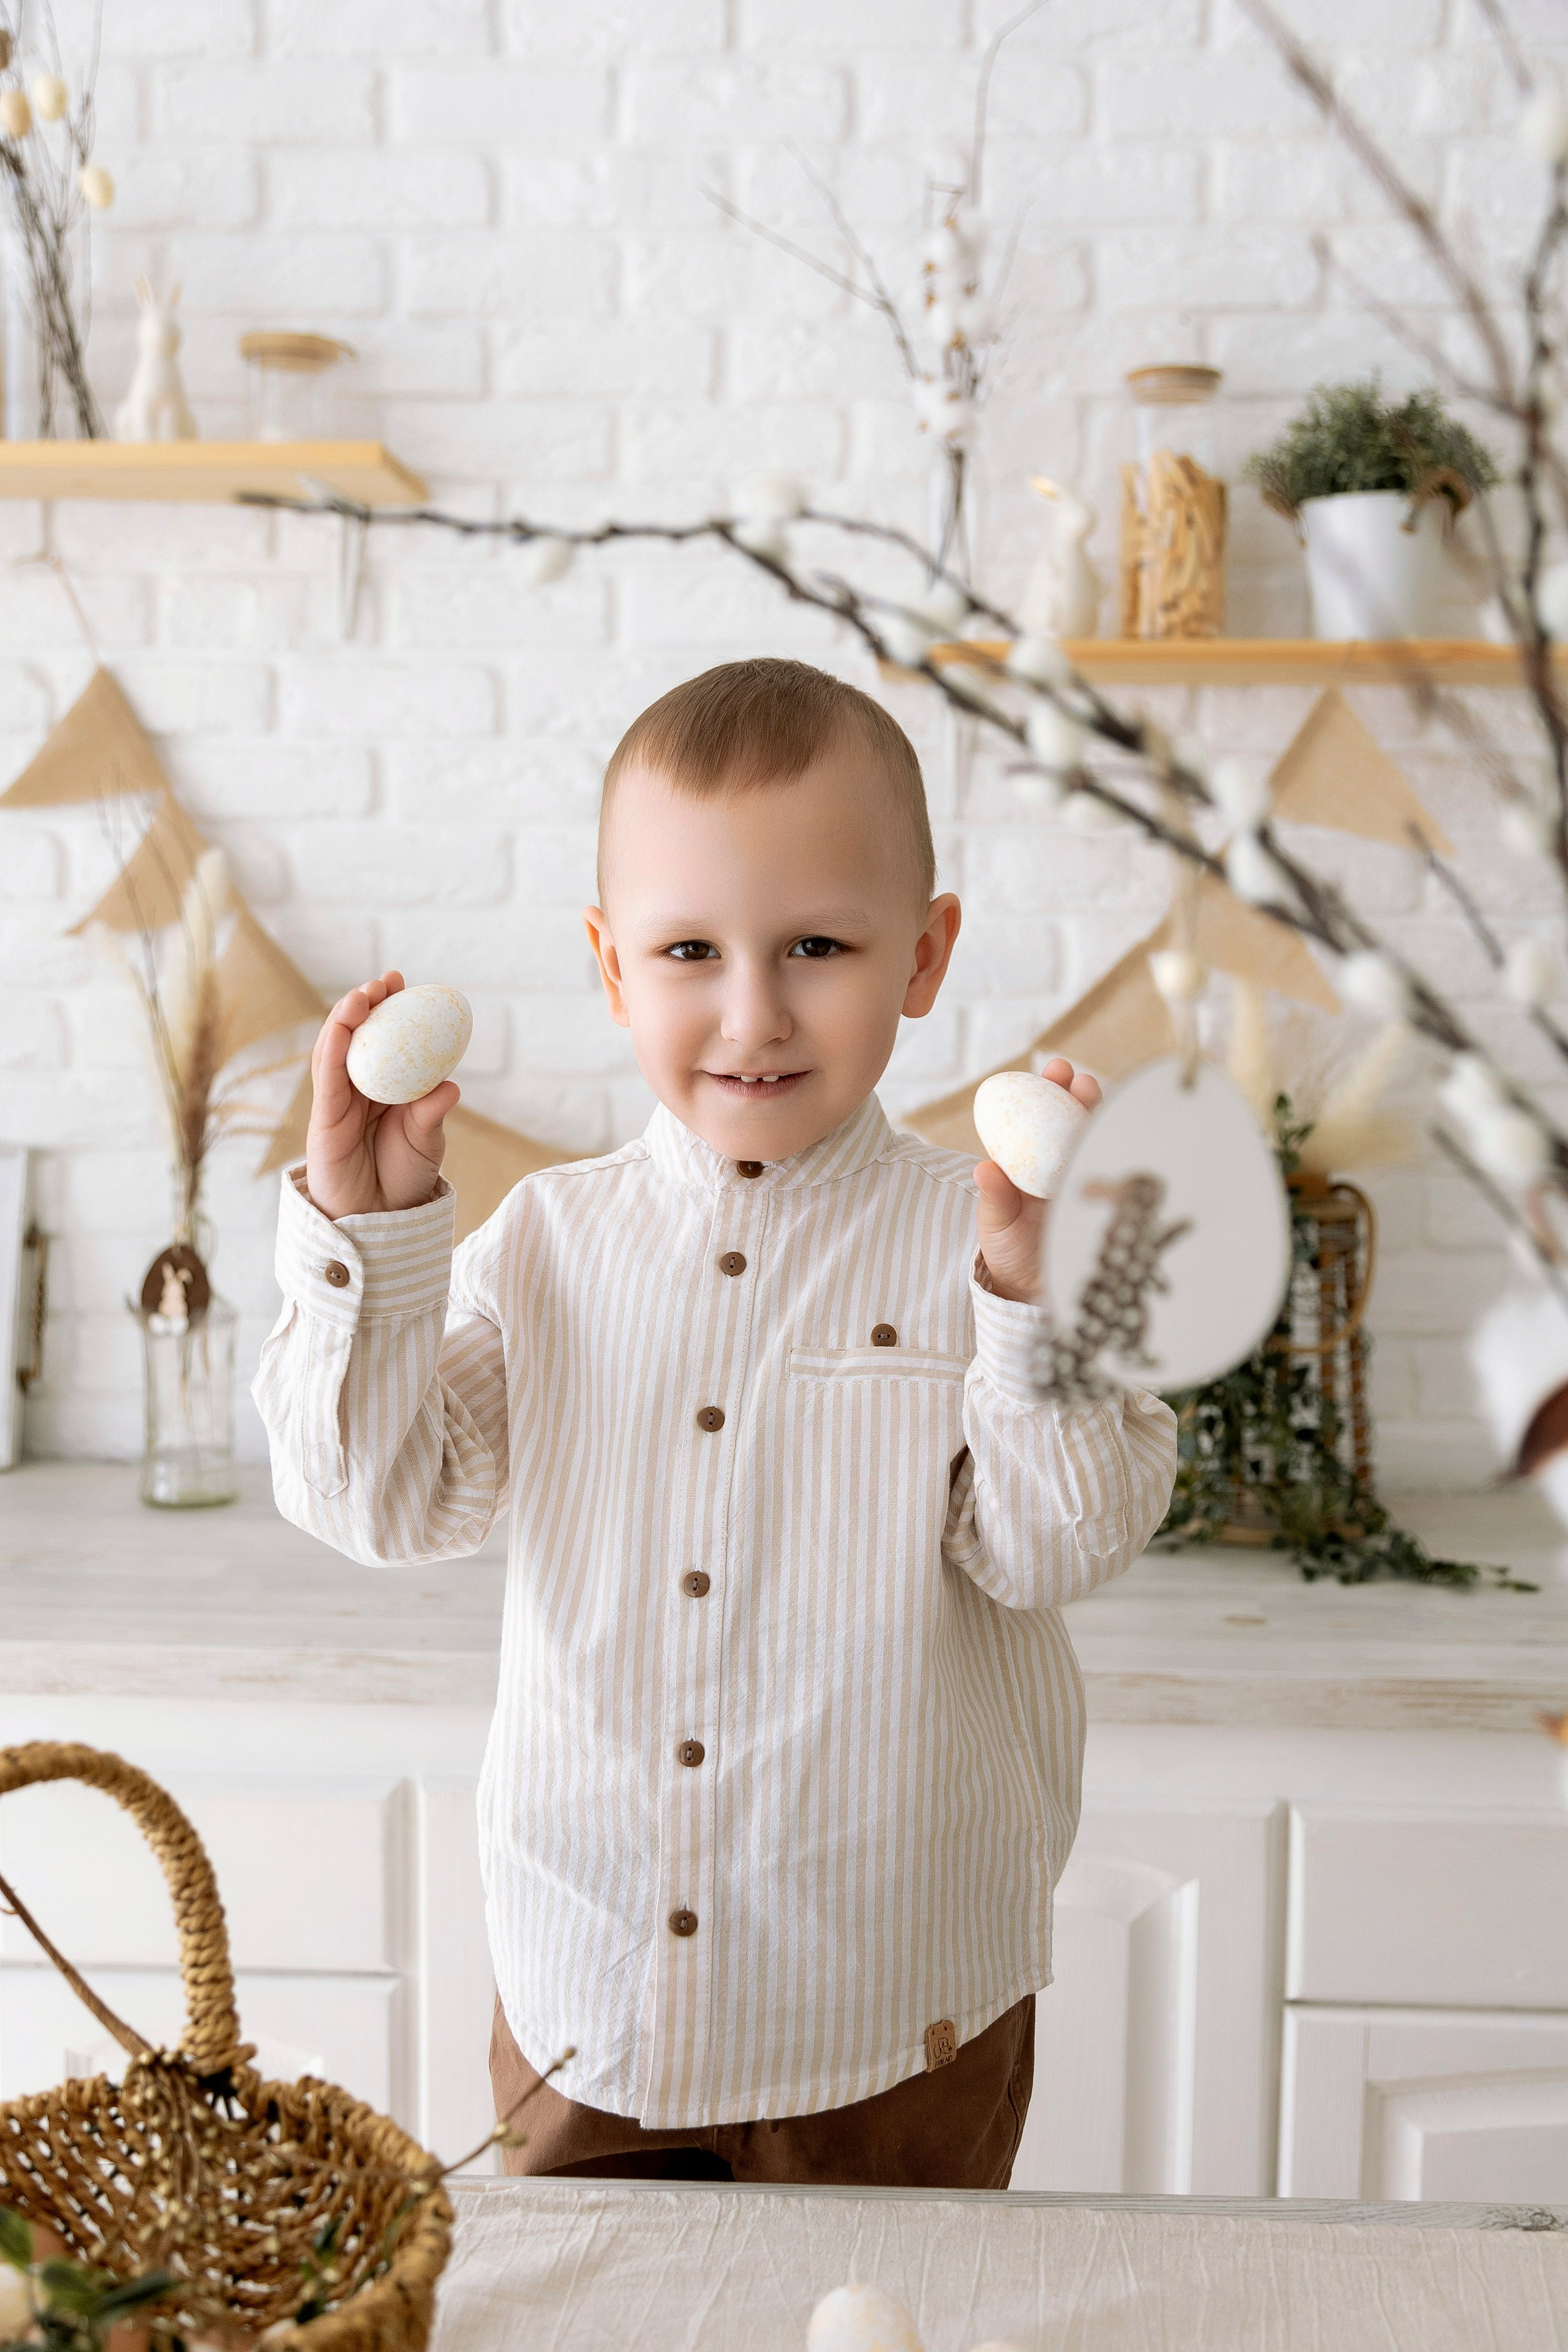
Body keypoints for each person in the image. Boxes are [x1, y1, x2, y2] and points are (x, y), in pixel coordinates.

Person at [254, 656, 1176, 2188]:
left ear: (923, 955)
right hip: (588, 2011)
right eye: (691, 950)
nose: (752, 1013)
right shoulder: (542, 1245)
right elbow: (376, 1501)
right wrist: (368, 1224)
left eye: (815, 944)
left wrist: (1030, 1296)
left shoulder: (990, 1236)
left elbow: (1051, 1550)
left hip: (900, 2023)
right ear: (613, 969)